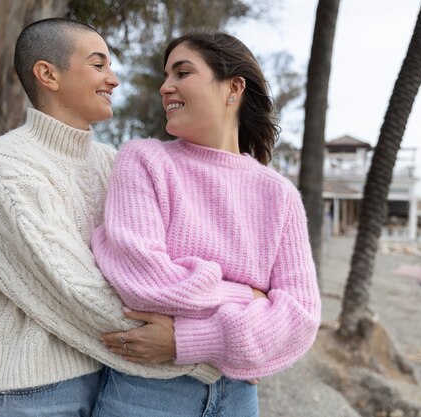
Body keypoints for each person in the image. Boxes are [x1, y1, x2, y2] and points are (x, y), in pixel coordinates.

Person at [0, 18, 220, 417]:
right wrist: (199, 350)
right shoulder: (7, 166)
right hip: (29, 393)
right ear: (48, 74)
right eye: (98, 65)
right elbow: (74, 289)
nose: (113, 79)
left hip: (109, 377)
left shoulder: (112, 163)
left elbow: (163, 263)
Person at [91, 31, 321, 417]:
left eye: (182, 73)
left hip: (238, 398)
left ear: (233, 87)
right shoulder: (144, 161)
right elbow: (142, 283)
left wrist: (188, 338)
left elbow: (300, 318)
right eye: (166, 76)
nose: (166, 87)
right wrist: (248, 297)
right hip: (149, 392)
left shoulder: (279, 194)